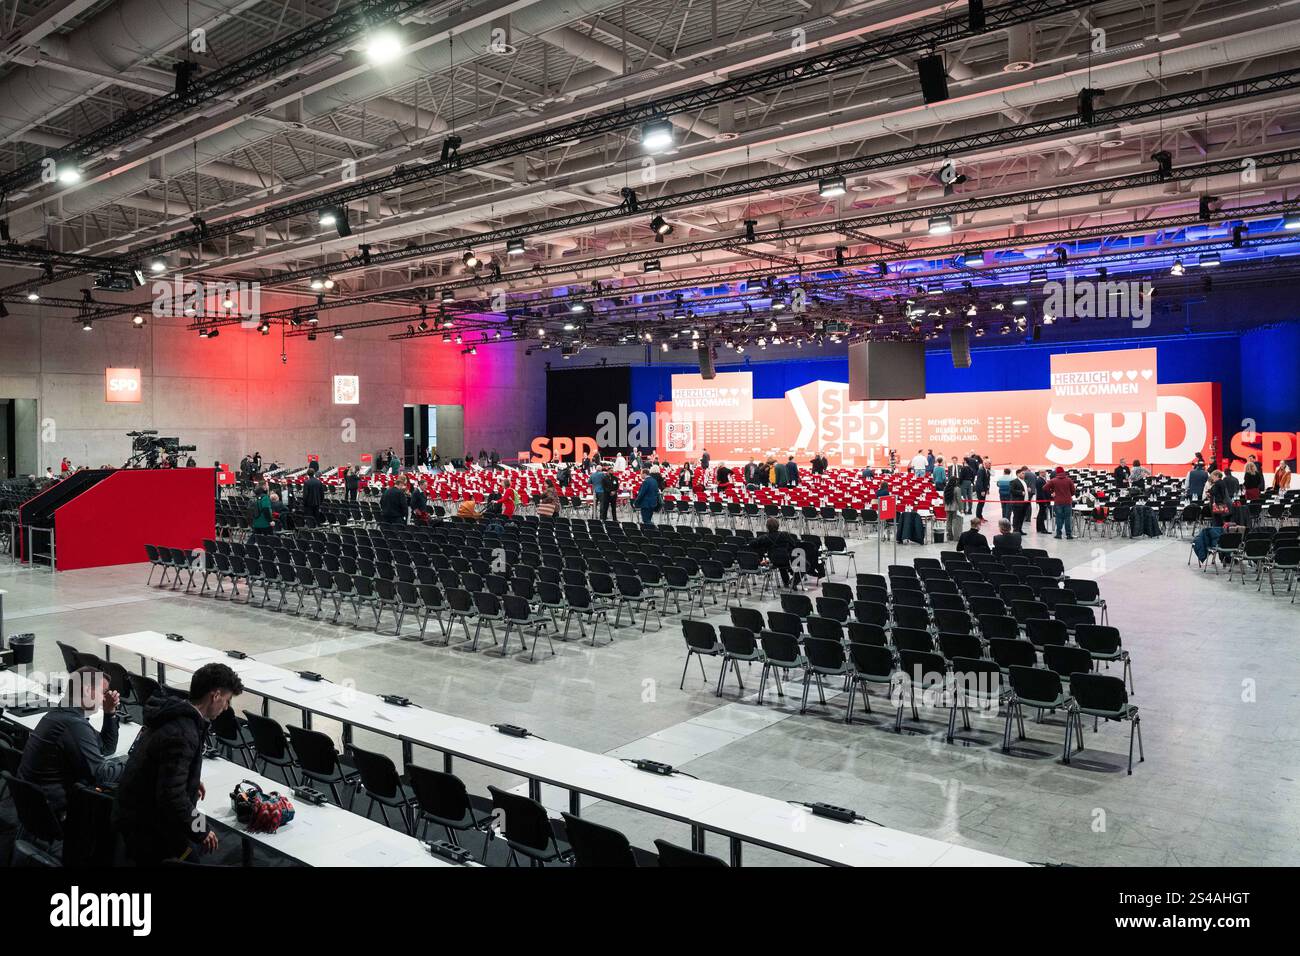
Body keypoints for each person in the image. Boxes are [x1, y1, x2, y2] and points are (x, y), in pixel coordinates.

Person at [114, 662, 244, 865]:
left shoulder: (173, 713)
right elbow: (170, 796)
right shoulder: (184, 732)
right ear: (215, 695)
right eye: (227, 701)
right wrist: (202, 828)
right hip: (146, 824)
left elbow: (162, 763)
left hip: (132, 810)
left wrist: (190, 777)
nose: (226, 708)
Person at [18, 667, 120, 823]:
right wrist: (132, 764)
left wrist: (110, 712)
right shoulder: (72, 724)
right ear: (87, 690)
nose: (104, 699)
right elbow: (100, 776)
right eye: (103, 692)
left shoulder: (61, 715)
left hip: (33, 807)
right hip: (56, 814)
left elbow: (106, 748)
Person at [749, 518, 800, 588]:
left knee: (780, 563)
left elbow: (752, 544)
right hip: (787, 559)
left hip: (773, 560)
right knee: (806, 565)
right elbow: (794, 545)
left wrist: (762, 548)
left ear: (767, 527)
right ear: (778, 526)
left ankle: (787, 583)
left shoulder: (765, 537)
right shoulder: (785, 534)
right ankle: (793, 581)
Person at [1045, 466, 1077, 540]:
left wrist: (1052, 492)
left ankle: (1058, 534)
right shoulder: (1069, 480)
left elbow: (1044, 488)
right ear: (1063, 472)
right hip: (1068, 502)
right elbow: (1073, 491)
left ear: (1057, 472)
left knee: (1059, 518)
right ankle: (1069, 535)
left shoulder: (1053, 480)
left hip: (1058, 502)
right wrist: (1068, 495)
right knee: (1067, 518)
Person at [1009, 468, 1031, 534]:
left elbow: (1025, 490)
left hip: (1025, 502)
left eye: (1024, 473)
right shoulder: (1014, 481)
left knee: (1022, 517)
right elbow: (1012, 491)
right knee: (1016, 517)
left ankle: (1020, 529)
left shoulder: (1025, 481)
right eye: (1022, 473)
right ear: (1018, 474)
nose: (1024, 475)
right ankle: (1015, 530)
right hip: (1017, 503)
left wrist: (1028, 490)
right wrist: (1020, 492)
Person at [942, 474, 963, 543]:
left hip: (947, 507)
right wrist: (961, 508)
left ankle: (949, 536)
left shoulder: (946, 488)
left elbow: (944, 499)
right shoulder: (957, 489)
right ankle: (956, 537)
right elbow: (959, 500)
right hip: (955, 508)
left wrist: (944, 505)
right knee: (955, 522)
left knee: (948, 522)